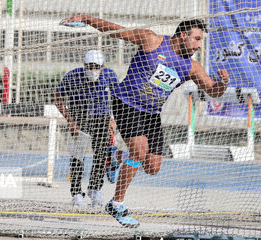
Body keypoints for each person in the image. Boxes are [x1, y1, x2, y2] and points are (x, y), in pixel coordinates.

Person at [60, 16, 230, 227]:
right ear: (183, 35)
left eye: (200, 41)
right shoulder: (152, 40)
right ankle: (117, 203)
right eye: (196, 39)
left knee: (152, 167)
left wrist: (223, 83)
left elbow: (213, 90)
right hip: (126, 103)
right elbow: (116, 30)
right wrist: (86, 18)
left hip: (151, 113)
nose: (198, 45)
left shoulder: (192, 67)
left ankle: (115, 155)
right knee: (139, 151)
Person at [55, 50, 125, 207]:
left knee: (100, 155)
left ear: (102, 67)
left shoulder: (110, 75)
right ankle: (76, 193)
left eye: (96, 67)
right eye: (89, 66)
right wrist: (70, 120)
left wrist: (113, 119)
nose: (92, 70)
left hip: (102, 118)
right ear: (84, 65)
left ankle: (95, 189)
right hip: (79, 117)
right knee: (77, 157)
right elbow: (58, 97)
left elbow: (118, 99)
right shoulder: (73, 76)